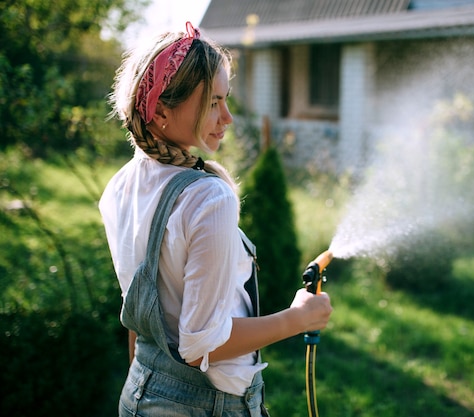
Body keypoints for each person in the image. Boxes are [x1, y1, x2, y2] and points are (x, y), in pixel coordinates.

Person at [99, 22, 332, 417]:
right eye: (211, 102)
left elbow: (140, 318)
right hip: (208, 405)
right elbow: (201, 346)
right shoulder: (208, 197)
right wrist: (298, 318)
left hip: (140, 392)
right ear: (160, 112)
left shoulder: (121, 185)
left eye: (225, 100)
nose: (227, 117)